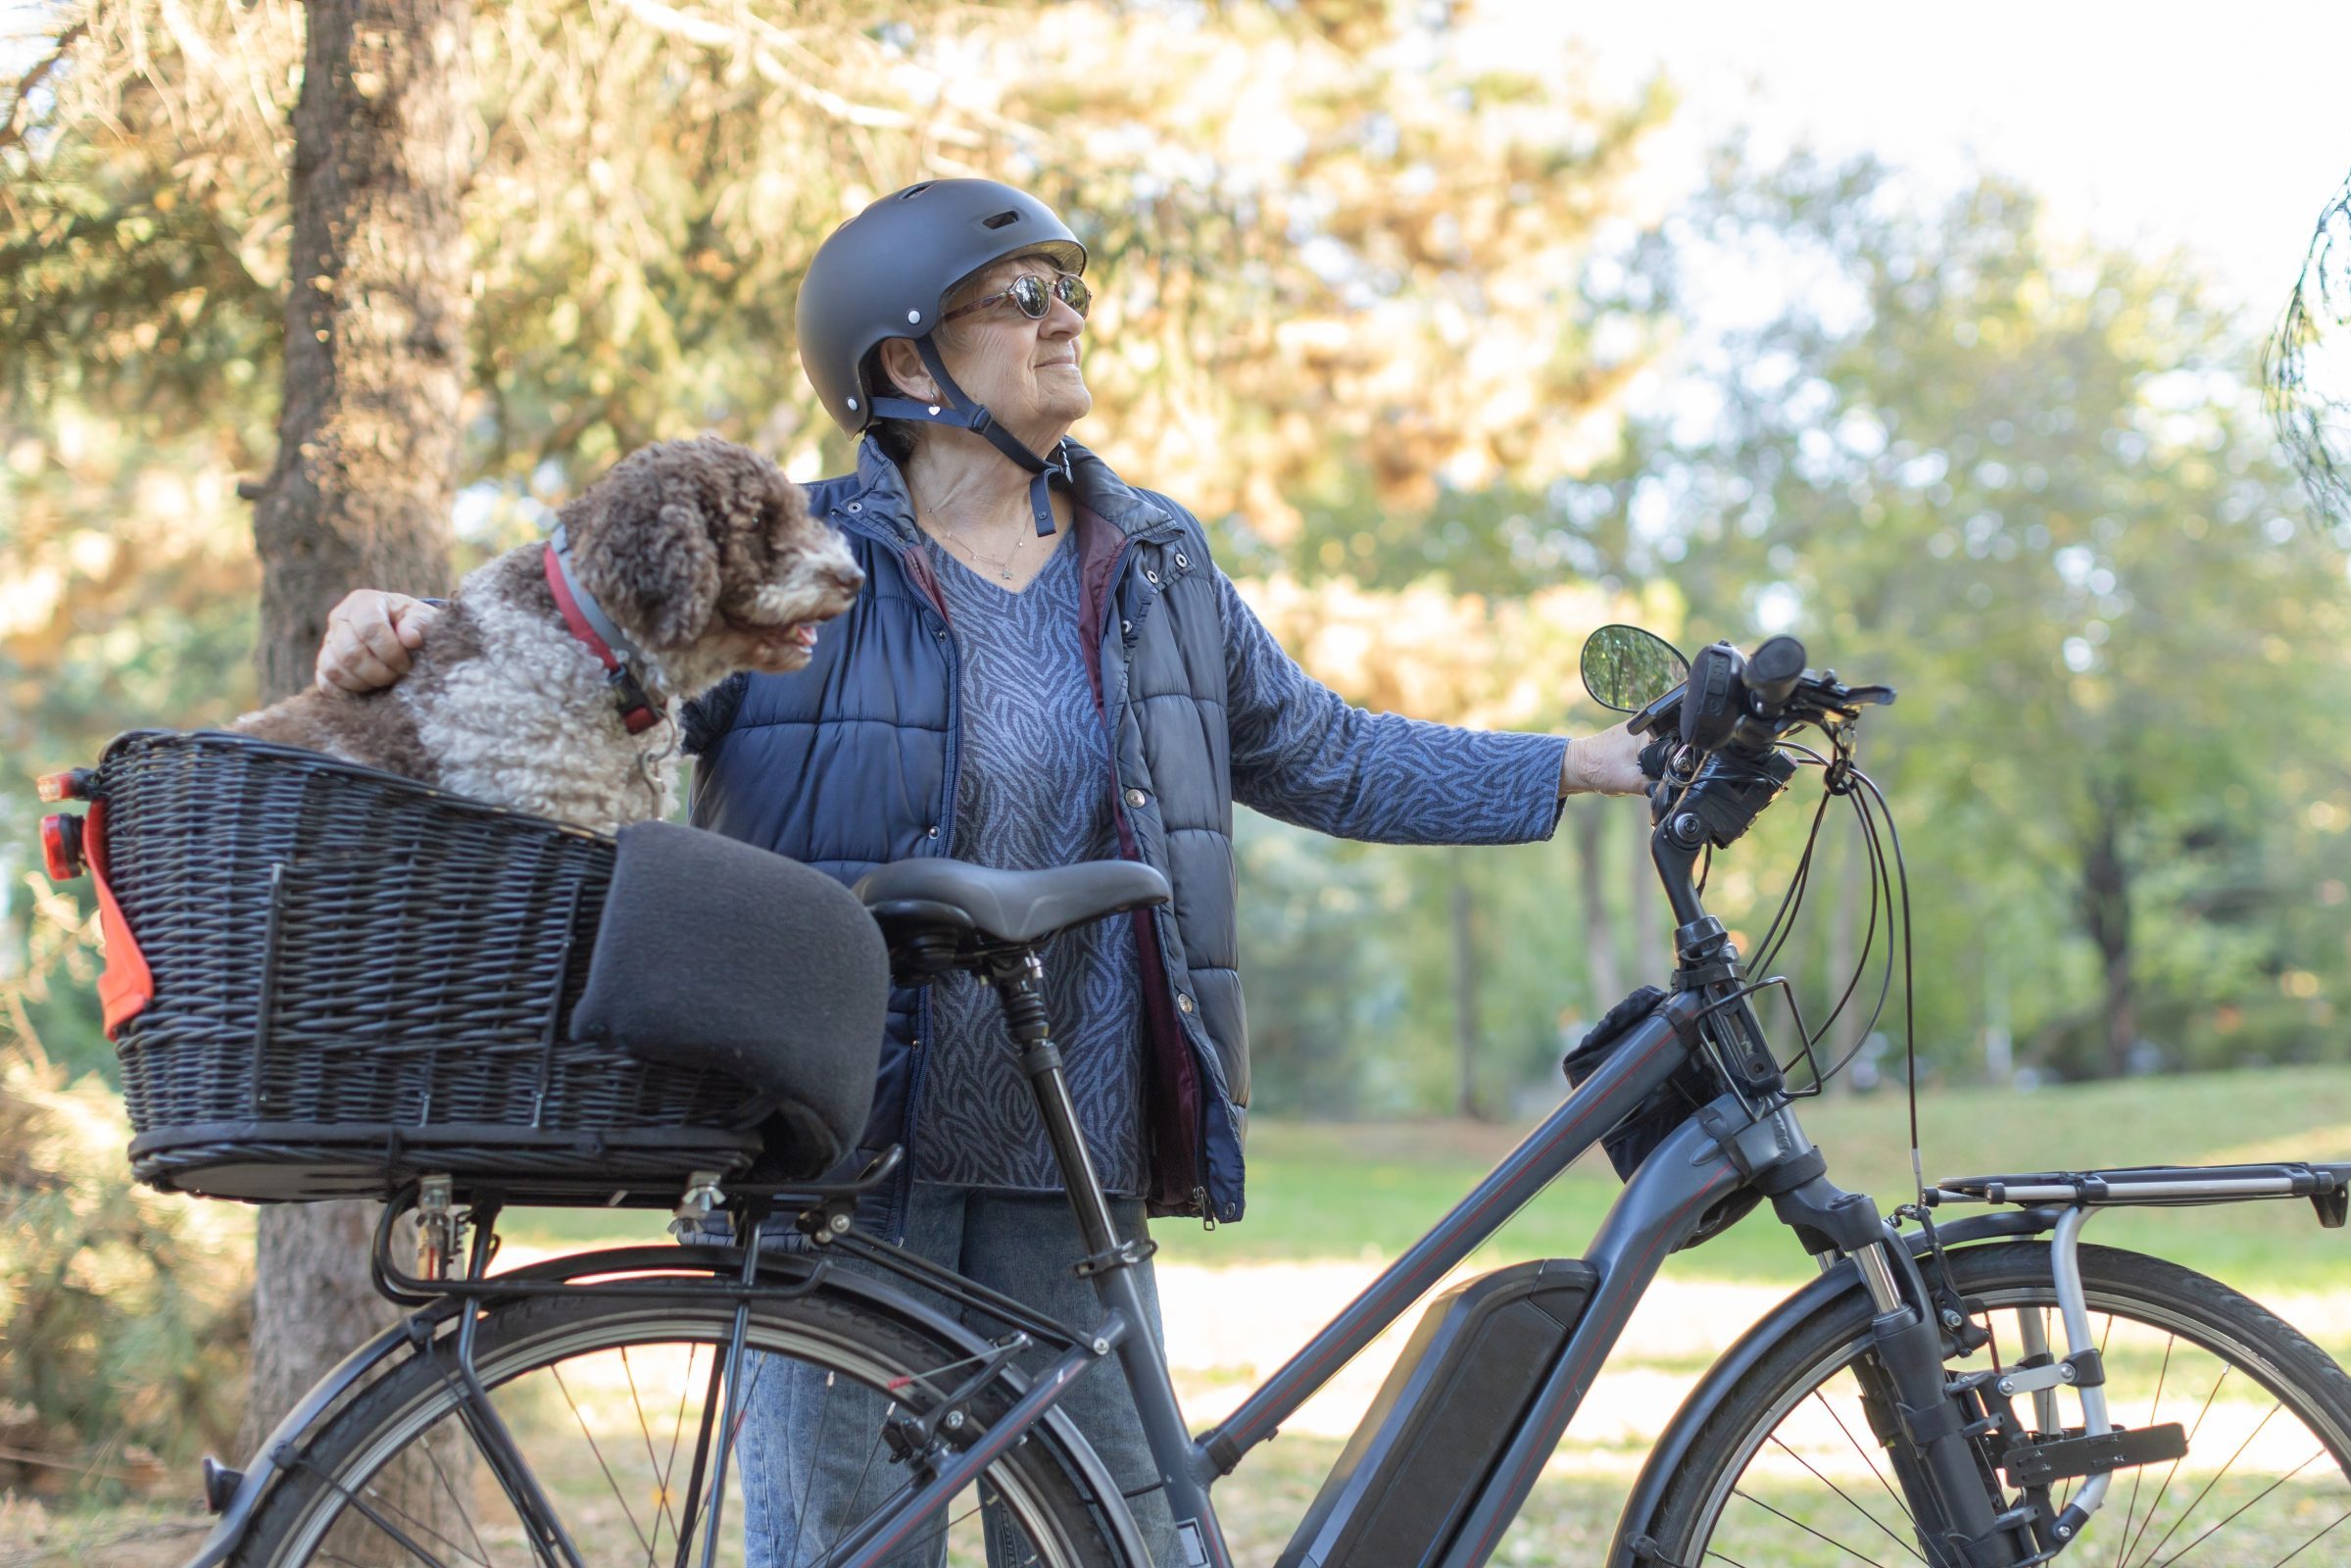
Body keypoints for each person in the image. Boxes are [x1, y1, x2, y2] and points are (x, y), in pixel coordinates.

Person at [315, 177, 1647, 1566]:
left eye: (1074, 287)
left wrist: (1576, 765)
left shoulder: (1157, 564)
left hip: (1073, 1149)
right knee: (847, 1545)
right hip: (844, 1147)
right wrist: (395, 620)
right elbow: (574, 657)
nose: (1067, 316)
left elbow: (1327, 754)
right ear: (907, 361)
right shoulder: (783, 557)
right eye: (1024, 296)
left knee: (1123, 1539)